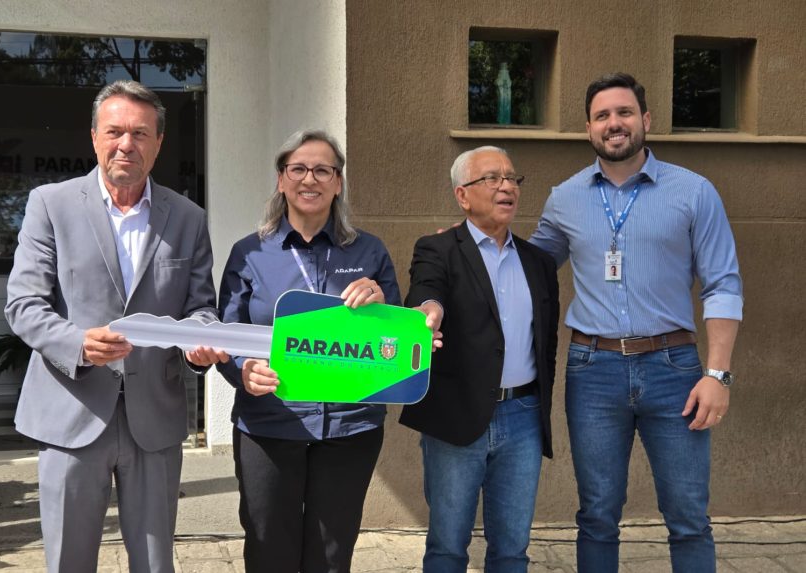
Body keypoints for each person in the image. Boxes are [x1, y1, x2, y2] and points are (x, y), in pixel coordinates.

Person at [5, 80, 228, 573]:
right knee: (69, 561)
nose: (127, 144)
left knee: (155, 563)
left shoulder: (187, 217)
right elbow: (23, 304)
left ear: (158, 143)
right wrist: (78, 343)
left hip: (154, 416)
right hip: (72, 411)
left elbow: (201, 307)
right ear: (94, 137)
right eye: (115, 132)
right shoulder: (51, 204)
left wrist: (199, 342)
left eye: (140, 133)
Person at [529, 72, 743, 572]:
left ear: (645, 119)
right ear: (588, 128)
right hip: (593, 372)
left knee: (688, 517)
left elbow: (723, 285)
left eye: (624, 112)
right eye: (602, 115)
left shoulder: (694, 192)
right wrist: (467, 242)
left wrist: (717, 375)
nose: (614, 123)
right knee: (597, 516)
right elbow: (529, 266)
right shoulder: (564, 198)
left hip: (675, 371)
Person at [216, 129, 401, 573]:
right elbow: (228, 333)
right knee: (269, 552)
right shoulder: (250, 253)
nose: (309, 179)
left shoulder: (370, 251)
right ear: (281, 180)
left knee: (331, 557)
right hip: (269, 424)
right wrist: (243, 370)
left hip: (350, 428)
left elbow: (396, 343)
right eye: (298, 168)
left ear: (338, 182)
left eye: (322, 170)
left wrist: (382, 308)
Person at [399, 146, 560, 573]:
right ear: (463, 196)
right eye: (492, 178)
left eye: (512, 178)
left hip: (523, 417)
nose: (507, 186)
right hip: (457, 416)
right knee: (449, 548)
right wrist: (428, 312)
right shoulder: (437, 248)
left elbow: (546, 344)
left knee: (512, 550)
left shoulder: (539, 263)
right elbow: (426, 290)